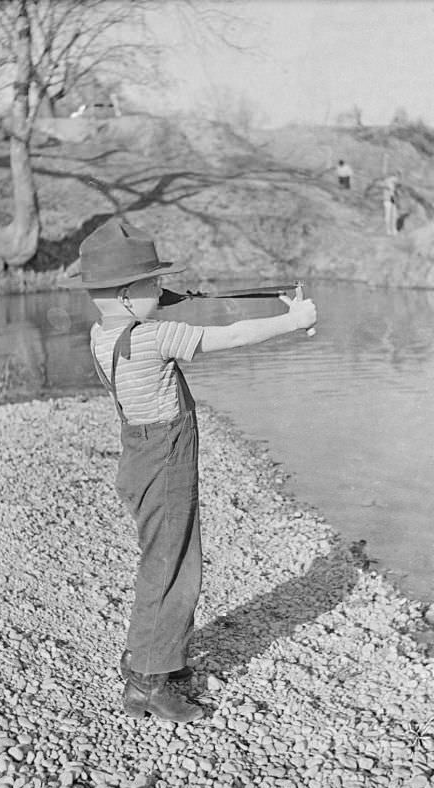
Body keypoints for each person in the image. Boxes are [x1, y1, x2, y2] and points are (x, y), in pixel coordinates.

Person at [60, 219, 317, 723]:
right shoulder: (154, 337)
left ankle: (148, 657)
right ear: (131, 296)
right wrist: (294, 319)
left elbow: (132, 310)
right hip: (166, 458)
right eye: (152, 282)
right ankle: (148, 685)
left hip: (140, 456)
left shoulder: (104, 331)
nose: (160, 288)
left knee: (162, 557)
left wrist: (159, 296)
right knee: (175, 566)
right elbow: (234, 334)